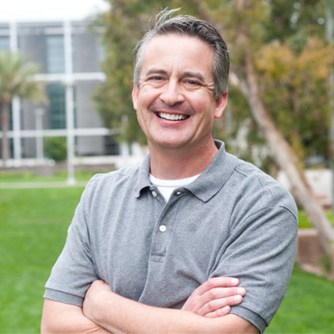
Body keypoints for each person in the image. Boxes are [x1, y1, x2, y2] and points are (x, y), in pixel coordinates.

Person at [41, 8, 298, 333]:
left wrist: (101, 305)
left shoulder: (262, 205)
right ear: (136, 94)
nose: (171, 95)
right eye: (157, 78)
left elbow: (231, 331)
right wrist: (181, 322)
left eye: (191, 81)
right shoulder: (100, 194)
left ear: (219, 102)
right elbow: (53, 324)